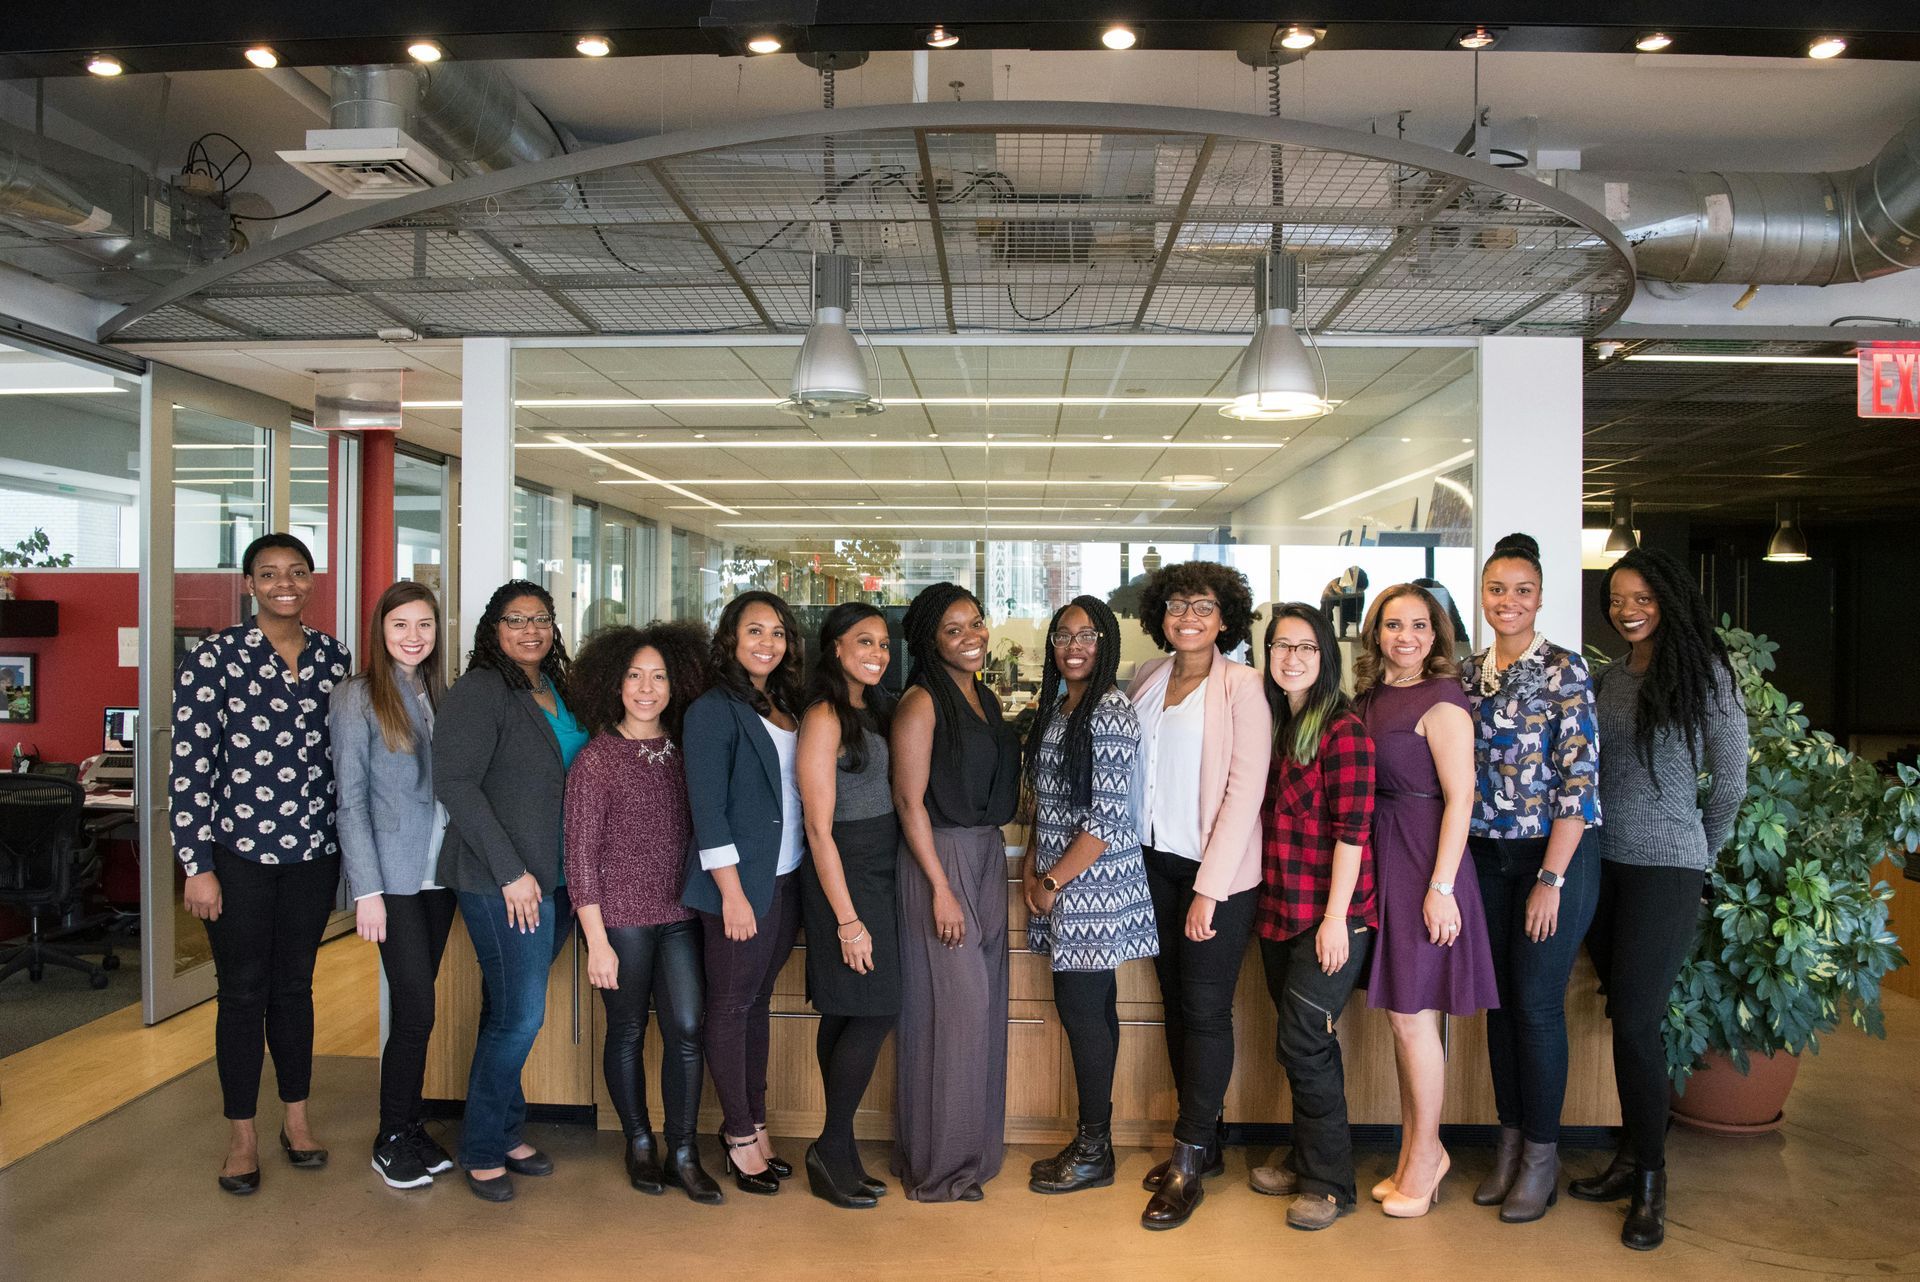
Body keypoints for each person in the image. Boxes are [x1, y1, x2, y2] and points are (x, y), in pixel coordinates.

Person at [1570, 547, 1745, 1251]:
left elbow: (1729, 786)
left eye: (1641, 597)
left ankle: (1652, 1180)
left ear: (1668, 598)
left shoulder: (1707, 677)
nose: (1627, 609)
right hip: (1599, 866)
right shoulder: (1609, 679)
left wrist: (1695, 859)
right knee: (1623, 1012)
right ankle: (1630, 1156)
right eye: (1616, 598)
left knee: (1639, 1020)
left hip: (1666, 869)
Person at [172, 532, 350, 1195]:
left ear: (310, 582)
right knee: (243, 992)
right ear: (249, 584)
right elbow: (187, 768)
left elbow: (344, 762)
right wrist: (197, 863)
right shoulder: (215, 658)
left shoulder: (335, 658)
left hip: (312, 853)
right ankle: (242, 1132)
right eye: (270, 573)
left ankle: (296, 1121)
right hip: (237, 856)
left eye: (297, 572)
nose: (285, 583)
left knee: (295, 987)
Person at [1461, 534, 1602, 1223]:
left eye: (1522, 589)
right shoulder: (1468, 674)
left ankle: (1543, 1157)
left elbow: (1579, 782)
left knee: (1537, 1005)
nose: (1508, 601)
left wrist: (1552, 877)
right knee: (1499, 1004)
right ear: (1482, 595)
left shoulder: (1565, 670)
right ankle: (1509, 1145)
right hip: (1487, 857)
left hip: (1555, 856)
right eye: (1496, 589)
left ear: (1540, 597)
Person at [1128, 560, 1272, 1230]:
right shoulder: (1147, 679)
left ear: (1225, 619)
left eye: (1204, 606)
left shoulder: (1242, 685)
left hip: (1216, 875)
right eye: (1178, 605)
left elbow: (1245, 791)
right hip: (1154, 865)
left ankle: (1188, 1161)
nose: (1189, 617)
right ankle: (1203, 1141)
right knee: (1176, 1008)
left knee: (1208, 1011)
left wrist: (1209, 890)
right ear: (1161, 614)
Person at [434, 579, 585, 1202]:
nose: (531, 631)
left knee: (506, 1012)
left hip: (560, 877)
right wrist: (510, 872)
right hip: (506, 883)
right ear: (492, 629)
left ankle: (503, 1126)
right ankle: (480, 1147)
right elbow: (457, 784)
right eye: (515, 620)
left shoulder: (555, 688)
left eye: (541, 619)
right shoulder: (480, 691)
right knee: (520, 1016)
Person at [1353, 583, 1497, 1220]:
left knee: (1416, 1019)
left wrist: (1441, 888)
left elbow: (1461, 799)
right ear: (1375, 632)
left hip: (1423, 862)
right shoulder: (1369, 698)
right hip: (1381, 858)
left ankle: (1426, 1157)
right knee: (1400, 1018)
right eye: (1391, 625)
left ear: (1435, 635)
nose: (1404, 637)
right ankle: (1418, 1152)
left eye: (1417, 626)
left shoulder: (1444, 701)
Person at [565, 621, 722, 1205]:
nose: (647, 688)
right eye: (635, 676)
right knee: (627, 1031)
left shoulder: (686, 751)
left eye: (659, 676)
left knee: (686, 1028)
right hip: (620, 921)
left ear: (676, 682)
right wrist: (597, 942)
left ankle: (684, 1151)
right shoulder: (596, 760)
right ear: (614, 683)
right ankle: (639, 1143)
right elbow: (578, 858)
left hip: (679, 913)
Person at [1245, 603, 1377, 1231]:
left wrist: (1334, 919)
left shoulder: (1342, 731)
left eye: (1305, 647)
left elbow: (1353, 833)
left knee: (1303, 1041)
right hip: (1278, 908)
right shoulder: (1274, 723)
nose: (1291, 658)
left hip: (1332, 916)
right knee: (1303, 1044)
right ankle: (1306, 1157)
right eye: (1280, 646)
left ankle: (1329, 1184)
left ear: (1326, 658)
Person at [1020, 596, 1156, 1196]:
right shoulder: (1057, 708)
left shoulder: (1110, 712)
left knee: (1084, 1014)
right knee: (1090, 1012)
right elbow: (1047, 805)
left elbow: (1105, 820)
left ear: (1107, 645)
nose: (1074, 646)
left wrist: (1050, 882)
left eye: (1088, 635)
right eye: (1063, 635)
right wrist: (1032, 864)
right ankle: (1090, 1140)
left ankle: (1095, 1147)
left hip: (1092, 887)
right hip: (1061, 879)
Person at [891, 582, 1019, 1202]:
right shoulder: (921, 702)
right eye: (953, 629)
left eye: (976, 622)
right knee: (953, 1016)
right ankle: (938, 1168)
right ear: (928, 641)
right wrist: (940, 888)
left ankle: (972, 1157)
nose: (972, 636)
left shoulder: (985, 697)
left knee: (984, 1012)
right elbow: (908, 800)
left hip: (987, 855)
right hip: (939, 860)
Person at [330, 580, 456, 1190]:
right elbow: (349, 802)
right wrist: (367, 891)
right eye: (401, 624)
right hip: (396, 881)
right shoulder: (358, 697)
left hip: (440, 877)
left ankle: (409, 1124)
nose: (413, 636)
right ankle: (389, 1136)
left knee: (418, 1009)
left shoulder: (436, 691)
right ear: (380, 630)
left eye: (424, 625)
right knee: (415, 1010)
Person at [681, 591, 807, 1198]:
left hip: (786, 879)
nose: (767, 643)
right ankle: (736, 1136)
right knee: (730, 1008)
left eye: (778, 632)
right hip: (739, 887)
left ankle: (756, 1123)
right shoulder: (712, 710)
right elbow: (708, 809)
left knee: (755, 1004)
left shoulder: (784, 703)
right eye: (754, 631)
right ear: (731, 638)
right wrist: (730, 893)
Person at [796, 603, 901, 1209]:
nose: (877, 653)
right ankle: (833, 1145)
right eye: (864, 641)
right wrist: (848, 920)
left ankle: (836, 1150)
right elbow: (818, 826)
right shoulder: (825, 715)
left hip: (882, 866)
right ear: (835, 647)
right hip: (846, 871)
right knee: (874, 1007)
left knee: (844, 1011)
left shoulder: (874, 707)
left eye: (884, 643)